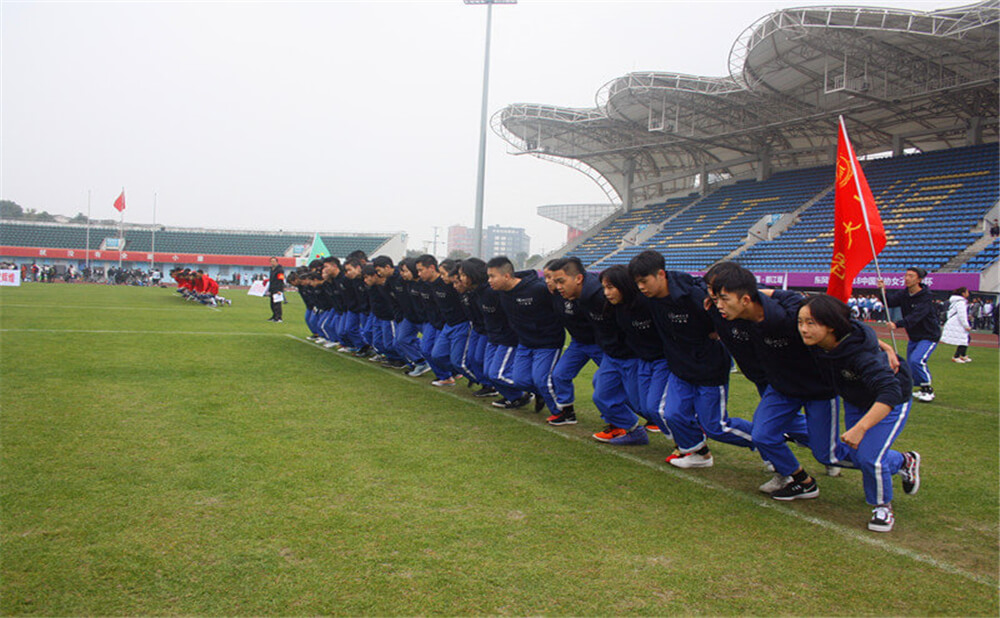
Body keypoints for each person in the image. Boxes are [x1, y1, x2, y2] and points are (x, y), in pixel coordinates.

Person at [798, 294, 921, 533]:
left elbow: (889, 392)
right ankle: (904, 461)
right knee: (854, 455)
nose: (803, 328)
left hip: (891, 400)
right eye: (801, 322)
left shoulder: (862, 356)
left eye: (810, 323)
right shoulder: (821, 340)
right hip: (856, 399)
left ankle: (882, 507)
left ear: (831, 325)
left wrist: (861, 427)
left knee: (869, 458)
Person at [628, 250, 754, 469]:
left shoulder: (693, 296)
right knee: (670, 413)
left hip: (709, 368)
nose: (640, 287)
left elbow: (726, 317)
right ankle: (698, 452)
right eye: (636, 282)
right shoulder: (648, 299)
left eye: (643, 281)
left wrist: (717, 331)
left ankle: (768, 442)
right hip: (679, 367)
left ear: (660, 274)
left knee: (716, 426)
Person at [550, 257, 649, 444]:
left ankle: (691, 434)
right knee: (602, 395)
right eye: (555, 282)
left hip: (632, 355)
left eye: (561, 281)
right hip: (612, 354)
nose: (557, 287)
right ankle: (634, 431)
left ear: (578, 278)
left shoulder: (602, 295)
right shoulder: (580, 297)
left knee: (643, 404)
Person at [878, 267, 941, 402]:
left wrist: (897, 324)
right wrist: (882, 291)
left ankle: (928, 389)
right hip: (914, 336)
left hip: (929, 335)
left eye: (911, 276)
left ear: (919, 280)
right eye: (906, 275)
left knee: (916, 360)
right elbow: (890, 302)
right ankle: (920, 388)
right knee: (910, 363)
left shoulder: (926, 297)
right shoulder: (904, 294)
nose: (907, 278)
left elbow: (917, 316)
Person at [940, 287, 972, 363]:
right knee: (964, 339)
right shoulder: (961, 302)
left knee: (965, 339)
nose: (968, 293)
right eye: (967, 292)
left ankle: (962, 355)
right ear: (963, 293)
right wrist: (966, 325)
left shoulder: (956, 301)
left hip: (954, 322)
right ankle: (956, 356)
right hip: (957, 323)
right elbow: (962, 315)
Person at [267, 257, 285, 323]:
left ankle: (279, 317)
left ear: (277, 262)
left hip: (277, 289)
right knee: (272, 304)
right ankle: (274, 316)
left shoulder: (280, 270)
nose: (272, 263)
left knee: (277, 304)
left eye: (274, 261)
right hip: (272, 288)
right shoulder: (271, 269)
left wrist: (279, 289)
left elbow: (281, 280)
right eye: (271, 261)